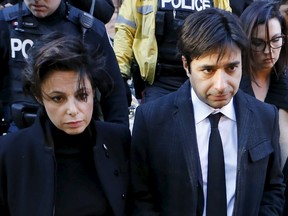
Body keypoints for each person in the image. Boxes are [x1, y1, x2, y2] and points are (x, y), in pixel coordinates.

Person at [130, 7, 285, 215]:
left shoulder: (266, 117)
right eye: (208, 70)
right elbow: (141, 197)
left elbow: (273, 188)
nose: (221, 84)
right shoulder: (151, 120)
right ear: (186, 65)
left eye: (231, 68)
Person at [0, 32, 131, 215]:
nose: (73, 109)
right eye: (57, 98)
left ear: (93, 91)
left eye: (82, 95)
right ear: (39, 97)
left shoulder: (118, 141)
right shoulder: (9, 153)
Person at [0, 0, 129, 136]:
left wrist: (117, 144)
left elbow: (115, 96)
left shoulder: (88, 30)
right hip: (19, 134)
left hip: (77, 135)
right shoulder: (4, 24)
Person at [114, 0, 232, 104]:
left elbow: (228, 31)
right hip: (160, 81)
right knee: (154, 125)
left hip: (205, 80)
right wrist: (120, 75)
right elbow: (125, 32)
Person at [239, 1, 288, 215]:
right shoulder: (234, 83)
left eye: (276, 40)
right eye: (258, 43)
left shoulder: (284, 82)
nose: (269, 51)